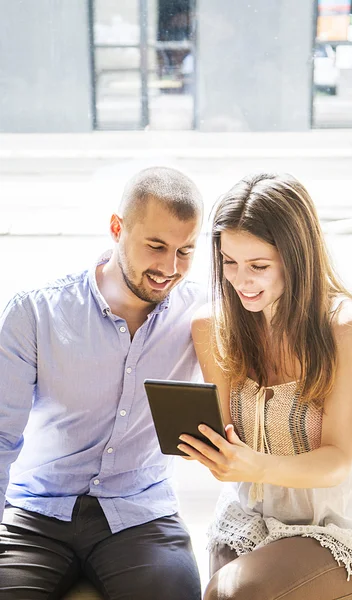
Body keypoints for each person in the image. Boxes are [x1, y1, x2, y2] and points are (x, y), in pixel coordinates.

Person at [179, 172, 352, 600]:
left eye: (258, 266)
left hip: (336, 530)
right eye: (229, 262)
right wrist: (212, 452)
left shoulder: (348, 330)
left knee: (229, 594)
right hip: (250, 519)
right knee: (222, 591)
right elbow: (228, 438)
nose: (240, 280)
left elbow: (337, 460)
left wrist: (254, 465)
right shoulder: (212, 327)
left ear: (298, 258)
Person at [0, 167, 205, 600]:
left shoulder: (201, 317)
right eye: (156, 246)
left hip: (140, 514)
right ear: (117, 228)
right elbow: (1, 437)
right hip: (36, 511)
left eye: (185, 251)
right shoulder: (34, 314)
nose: (170, 268)